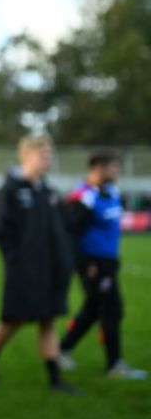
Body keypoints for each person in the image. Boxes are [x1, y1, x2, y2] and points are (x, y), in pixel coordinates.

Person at [0, 134, 77, 393]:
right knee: (13, 321)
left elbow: (63, 229)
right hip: (22, 272)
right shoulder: (10, 190)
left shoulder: (50, 193)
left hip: (49, 271)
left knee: (48, 321)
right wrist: (17, 260)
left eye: (50, 154)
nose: (48, 158)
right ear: (27, 155)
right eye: (43, 153)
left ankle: (55, 380)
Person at [58, 150, 146, 379]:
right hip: (93, 265)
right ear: (98, 168)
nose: (116, 172)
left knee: (93, 309)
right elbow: (71, 233)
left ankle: (62, 350)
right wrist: (85, 263)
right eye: (113, 167)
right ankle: (114, 364)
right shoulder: (84, 197)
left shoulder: (112, 192)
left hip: (109, 262)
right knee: (111, 309)